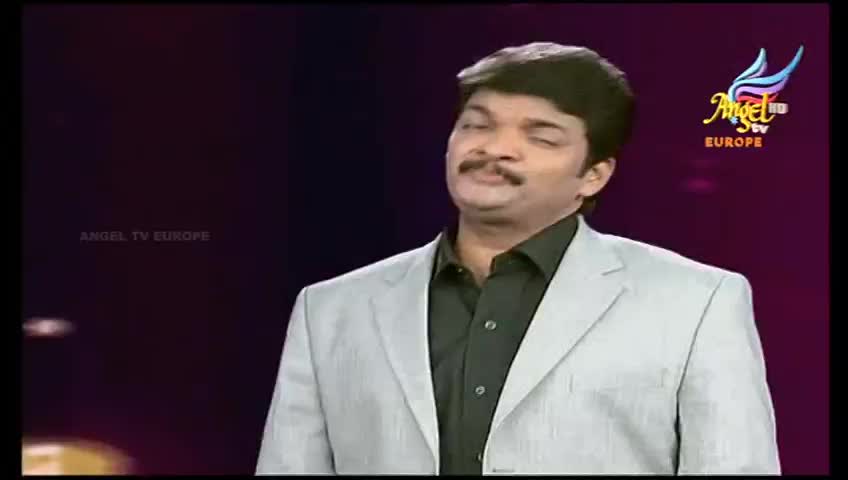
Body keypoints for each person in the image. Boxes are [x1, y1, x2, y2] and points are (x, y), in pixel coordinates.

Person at [255, 42, 780, 475]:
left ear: (593, 175)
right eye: (477, 125)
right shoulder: (332, 308)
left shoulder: (696, 302)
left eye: (541, 136)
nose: (496, 148)